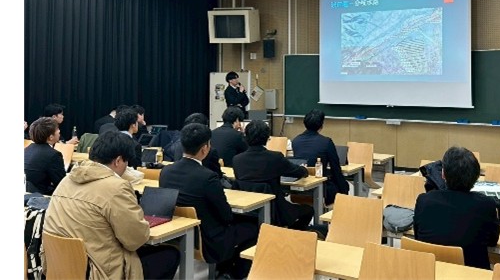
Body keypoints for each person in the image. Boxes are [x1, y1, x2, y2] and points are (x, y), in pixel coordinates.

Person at [43, 131, 180, 280]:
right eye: (127, 163)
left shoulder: (67, 180)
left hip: (62, 267)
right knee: (170, 254)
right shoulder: (117, 188)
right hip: (99, 272)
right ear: (118, 161)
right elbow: (136, 240)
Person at [159, 123, 258, 279]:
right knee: (255, 228)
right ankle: (233, 274)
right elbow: (226, 215)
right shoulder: (207, 177)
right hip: (210, 241)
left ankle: (224, 269)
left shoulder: (166, 172)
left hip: (179, 237)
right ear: (205, 149)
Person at [414, 146, 500, 269]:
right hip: (471, 274)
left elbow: (418, 237)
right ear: (476, 176)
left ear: (443, 174)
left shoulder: (424, 200)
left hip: (431, 271)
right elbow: (492, 241)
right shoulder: (486, 205)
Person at [233, 120, 314, 230]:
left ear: (246, 137)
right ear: (267, 138)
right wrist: (305, 169)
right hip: (276, 210)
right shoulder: (275, 157)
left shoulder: (237, 160)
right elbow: (297, 172)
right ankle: (289, 234)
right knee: (308, 210)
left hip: (248, 212)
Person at [291, 109, 349, 205]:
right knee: (344, 185)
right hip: (321, 189)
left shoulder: (295, 140)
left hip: (300, 189)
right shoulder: (326, 142)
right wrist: (344, 190)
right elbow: (335, 168)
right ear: (321, 125)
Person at [24, 117, 66, 194]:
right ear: (51, 137)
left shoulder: (26, 149)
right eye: (57, 129)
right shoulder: (54, 155)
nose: (59, 131)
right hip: (41, 195)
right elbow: (61, 184)